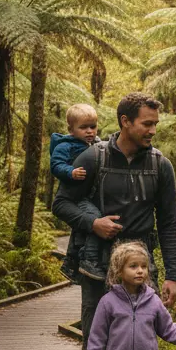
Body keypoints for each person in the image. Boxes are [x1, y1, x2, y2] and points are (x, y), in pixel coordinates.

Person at [53, 92, 176, 350]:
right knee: (98, 344)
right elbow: (61, 203)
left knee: (146, 342)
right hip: (98, 267)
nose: (152, 131)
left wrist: (172, 274)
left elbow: (169, 223)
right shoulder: (92, 158)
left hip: (142, 268)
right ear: (125, 122)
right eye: (147, 123)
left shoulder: (160, 166)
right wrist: (92, 222)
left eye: (155, 124)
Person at [48, 103, 105, 281]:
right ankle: (89, 260)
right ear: (71, 130)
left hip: (90, 194)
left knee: (80, 229)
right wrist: (70, 172)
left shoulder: (96, 144)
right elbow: (56, 165)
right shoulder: (65, 146)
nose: (89, 131)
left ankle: (70, 262)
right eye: (83, 127)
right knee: (94, 219)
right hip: (76, 195)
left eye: (93, 127)